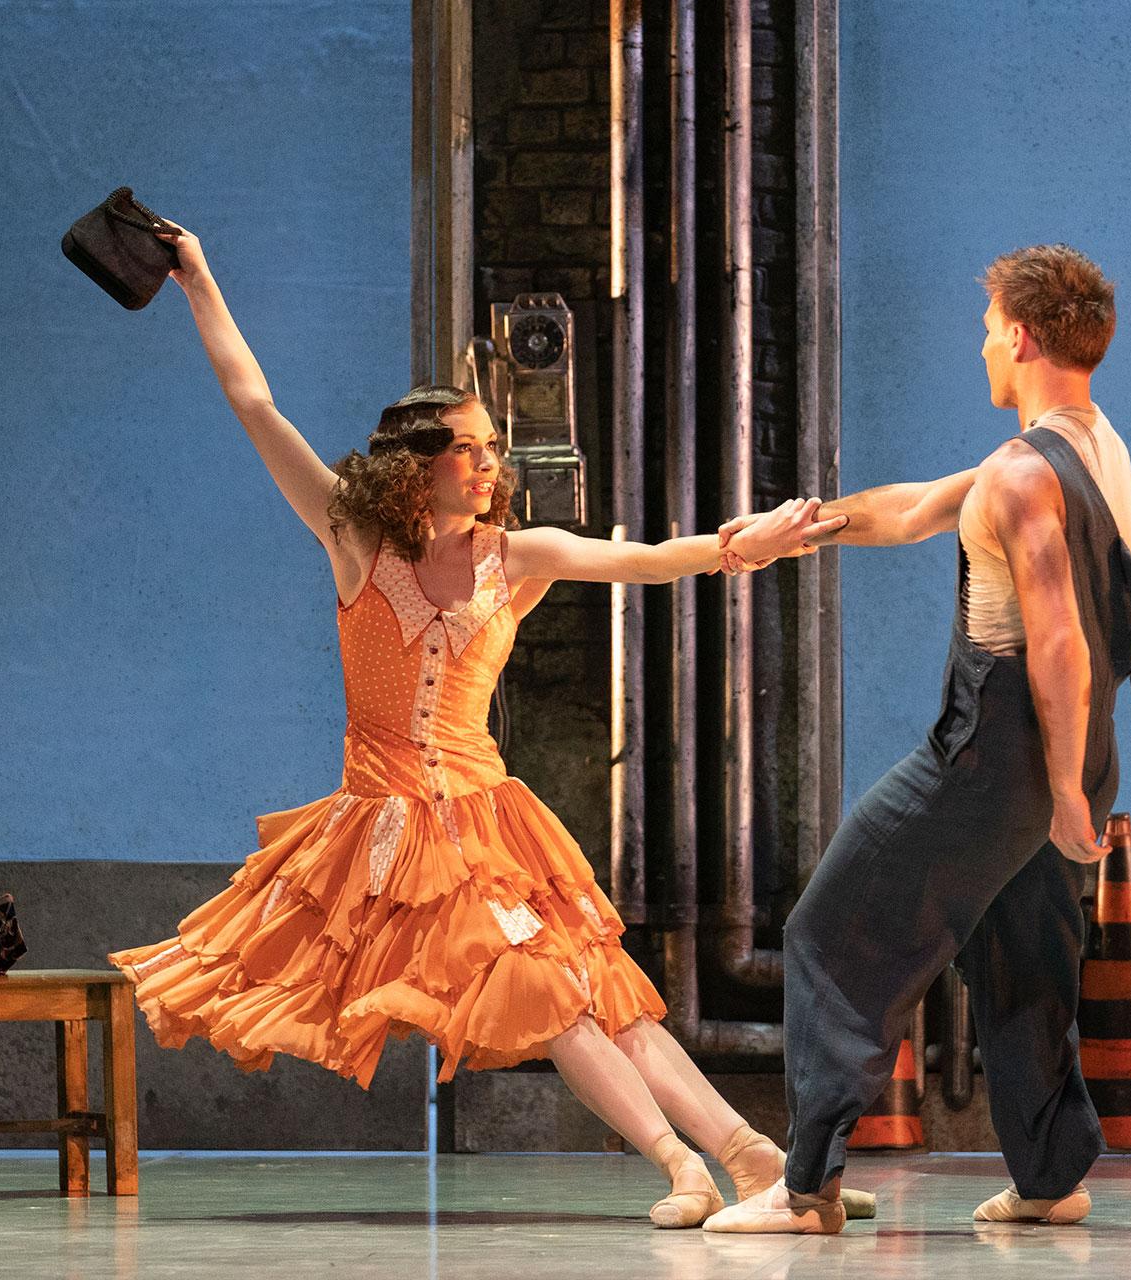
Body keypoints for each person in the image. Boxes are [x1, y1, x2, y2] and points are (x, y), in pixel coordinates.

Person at [108, 222, 860, 1229]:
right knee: (549, 991)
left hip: (488, 823)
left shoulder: (522, 554)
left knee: (592, 988)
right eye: (469, 446)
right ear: (417, 464)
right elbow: (256, 403)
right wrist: (200, 277)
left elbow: (652, 558)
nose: (487, 462)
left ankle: (743, 1150)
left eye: (489, 446)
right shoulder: (358, 542)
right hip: (391, 830)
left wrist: (747, 543)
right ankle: (686, 1160)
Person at [706, 244, 1131, 1234]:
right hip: (1057, 757)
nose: (984, 344)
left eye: (991, 327)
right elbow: (914, 508)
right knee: (1021, 945)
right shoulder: (1091, 449)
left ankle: (807, 1189)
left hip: (994, 756)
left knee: (829, 933)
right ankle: (1049, 1176)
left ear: (1024, 336)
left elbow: (1055, 647)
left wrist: (1067, 791)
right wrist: (798, 527)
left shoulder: (1020, 477)